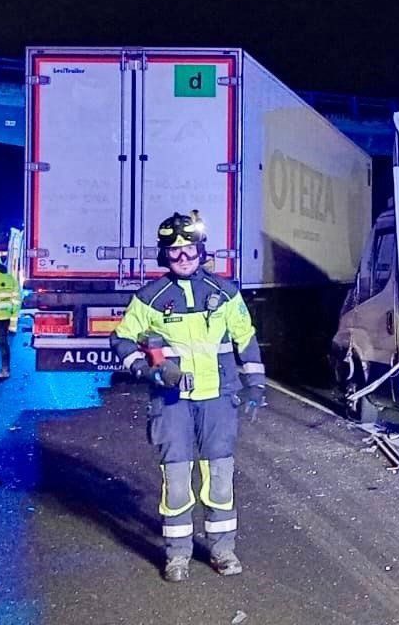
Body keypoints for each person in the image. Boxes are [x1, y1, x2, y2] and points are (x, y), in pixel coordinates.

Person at [110, 211, 268, 582]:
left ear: (201, 250)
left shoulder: (225, 293)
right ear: (165, 255)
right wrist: (147, 370)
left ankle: (222, 549)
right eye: (175, 251)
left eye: (190, 249)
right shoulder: (150, 297)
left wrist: (256, 384)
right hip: (171, 403)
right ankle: (177, 555)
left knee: (220, 477)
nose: (184, 257)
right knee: (177, 480)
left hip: (218, 399)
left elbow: (245, 339)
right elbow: (121, 340)